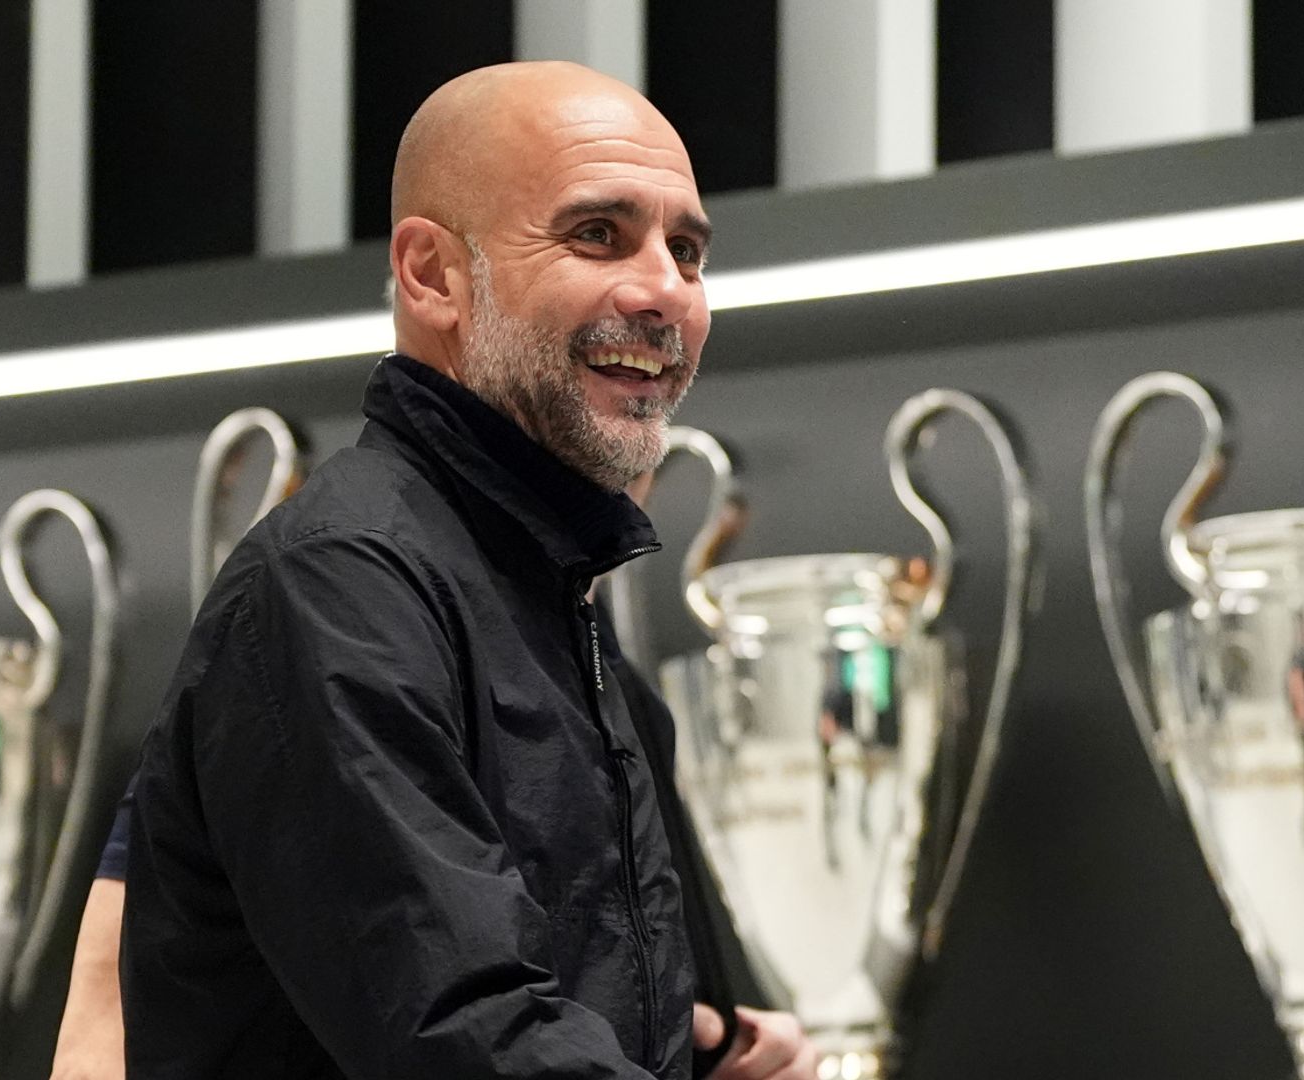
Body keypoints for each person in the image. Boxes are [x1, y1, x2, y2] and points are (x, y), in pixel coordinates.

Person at [72, 62, 817, 1079]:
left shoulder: (581, 641)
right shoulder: (340, 586)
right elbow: (468, 1038)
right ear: (433, 276)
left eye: (685, 251)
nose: (664, 292)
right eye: (597, 234)